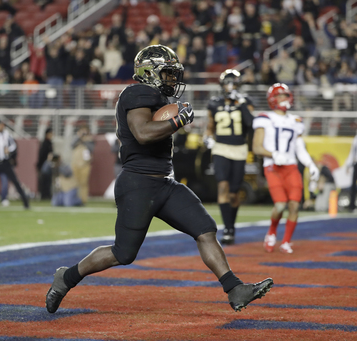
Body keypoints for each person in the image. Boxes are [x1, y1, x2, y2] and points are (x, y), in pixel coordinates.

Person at [46, 45, 273, 314]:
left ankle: (235, 288)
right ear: (149, 72)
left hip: (165, 183)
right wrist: (177, 122)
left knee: (205, 229)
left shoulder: (157, 97)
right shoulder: (137, 92)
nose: (172, 79)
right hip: (138, 184)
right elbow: (142, 133)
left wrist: (174, 119)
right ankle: (67, 277)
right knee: (123, 253)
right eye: (167, 73)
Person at [252, 83, 320, 254]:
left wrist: (311, 164)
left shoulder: (296, 120)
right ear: (272, 99)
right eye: (280, 96)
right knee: (281, 205)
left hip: (290, 166)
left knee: (295, 205)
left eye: (285, 95)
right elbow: (256, 147)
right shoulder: (264, 118)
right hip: (273, 166)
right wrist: (274, 154)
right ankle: (272, 232)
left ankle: (286, 242)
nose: (283, 99)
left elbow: (300, 147)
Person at [204, 69, 255, 245]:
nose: (230, 86)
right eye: (227, 83)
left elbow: (250, 123)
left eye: (233, 83)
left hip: (240, 149)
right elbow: (210, 126)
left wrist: (240, 102)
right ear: (222, 85)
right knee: (223, 186)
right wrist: (208, 138)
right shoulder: (214, 103)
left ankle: (231, 226)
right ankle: (226, 229)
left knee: (234, 193)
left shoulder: (245, 101)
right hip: (221, 148)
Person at [71, 125, 95, 204]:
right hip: (75, 163)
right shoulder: (77, 140)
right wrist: (79, 137)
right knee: (75, 182)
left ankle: (83, 199)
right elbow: (72, 145)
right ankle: (75, 199)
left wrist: (85, 140)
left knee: (84, 183)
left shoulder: (90, 140)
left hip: (85, 164)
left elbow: (91, 148)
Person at [37, 128, 54, 200]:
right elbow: (42, 155)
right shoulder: (45, 143)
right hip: (44, 166)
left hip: (47, 166)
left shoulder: (49, 143)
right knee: (45, 181)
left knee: (48, 181)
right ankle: (44, 195)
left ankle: (47, 195)